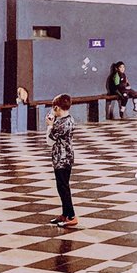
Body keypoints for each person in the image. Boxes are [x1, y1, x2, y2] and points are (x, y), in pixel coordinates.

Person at [46, 94, 78, 227]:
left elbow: (49, 141)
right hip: (68, 156)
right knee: (62, 186)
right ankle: (65, 214)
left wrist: (49, 125)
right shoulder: (70, 119)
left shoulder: (60, 124)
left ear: (57, 108)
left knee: (63, 187)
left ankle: (71, 216)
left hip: (61, 158)